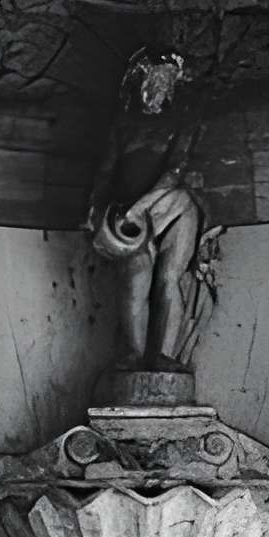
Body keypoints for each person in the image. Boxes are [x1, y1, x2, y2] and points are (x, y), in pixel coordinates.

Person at [85, 47, 209, 375]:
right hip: (128, 216)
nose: (161, 85)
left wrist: (139, 209)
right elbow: (105, 173)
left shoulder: (182, 120)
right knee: (135, 278)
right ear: (141, 80)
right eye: (155, 77)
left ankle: (164, 354)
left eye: (167, 79)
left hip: (170, 207)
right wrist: (95, 210)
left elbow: (174, 172)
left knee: (169, 277)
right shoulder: (124, 125)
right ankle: (133, 354)